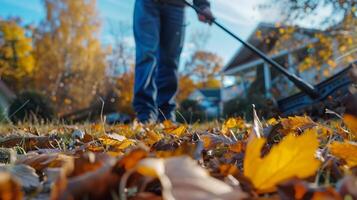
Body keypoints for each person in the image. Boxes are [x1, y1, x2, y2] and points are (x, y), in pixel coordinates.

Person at [133, 0, 213, 123]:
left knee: (170, 60)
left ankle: (166, 116)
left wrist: (202, 5)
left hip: (177, 5)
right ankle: (145, 114)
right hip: (147, 3)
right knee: (146, 54)